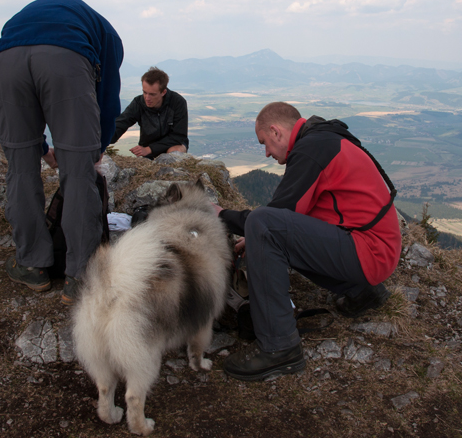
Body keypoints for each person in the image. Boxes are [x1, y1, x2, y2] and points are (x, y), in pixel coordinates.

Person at [218, 102, 401, 381]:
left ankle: (279, 348)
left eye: (264, 143)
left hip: (370, 251)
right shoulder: (322, 140)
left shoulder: (311, 149)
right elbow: (296, 217)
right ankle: (361, 292)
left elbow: (275, 217)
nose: (266, 152)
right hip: (375, 249)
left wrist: (222, 215)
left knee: (263, 223)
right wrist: (256, 236)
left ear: (276, 132)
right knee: (267, 228)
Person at [0, 0, 123, 305]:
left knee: (20, 169)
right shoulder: (109, 37)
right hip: (66, 59)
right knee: (78, 175)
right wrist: (96, 148)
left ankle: (31, 264)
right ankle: (79, 277)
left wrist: (40, 148)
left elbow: (26, 118)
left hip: (6, 59)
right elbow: (106, 100)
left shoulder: (27, 16)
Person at [110, 66, 188, 158]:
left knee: (176, 152)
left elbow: (178, 136)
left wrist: (150, 149)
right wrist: (103, 139)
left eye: (152, 94)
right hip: (147, 148)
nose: (147, 98)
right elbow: (121, 123)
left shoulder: (177, 102)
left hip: (170, 145)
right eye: (145, 92)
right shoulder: (138, 103)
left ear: (163, 92)